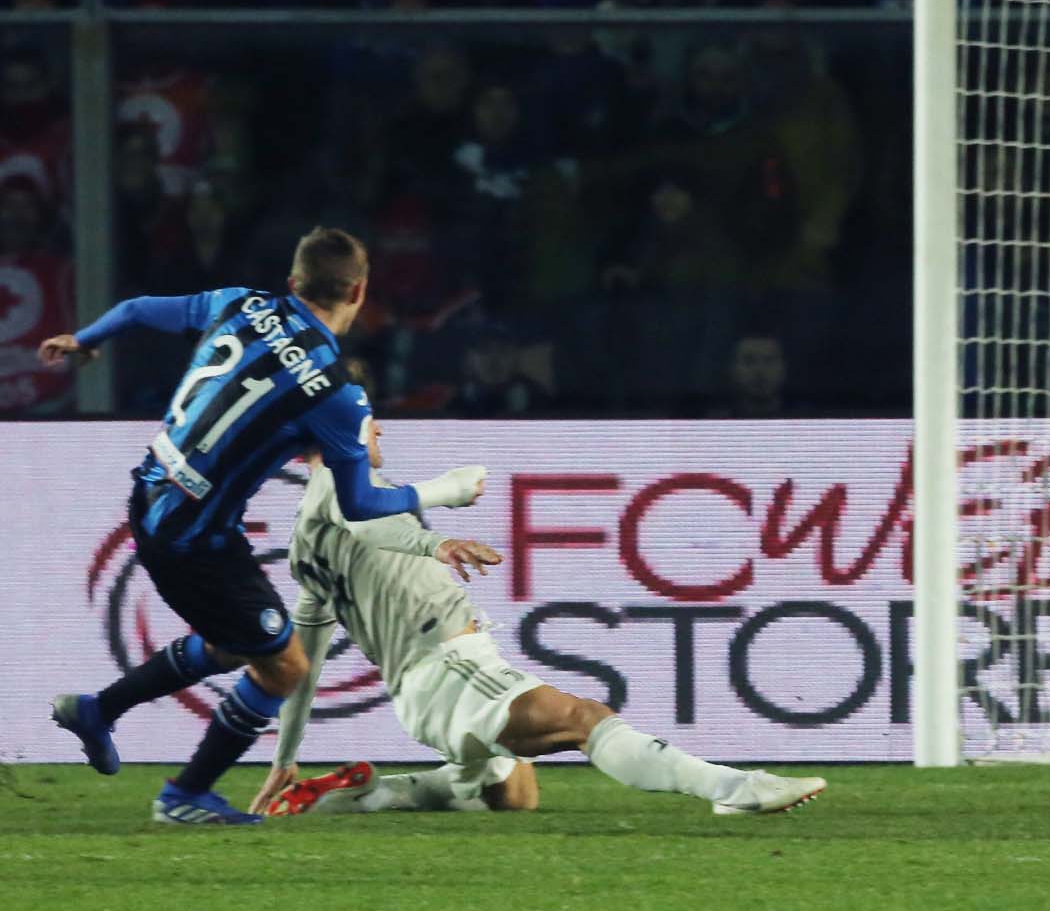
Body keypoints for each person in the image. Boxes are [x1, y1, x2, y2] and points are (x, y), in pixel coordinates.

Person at [41, 227, 489, 825]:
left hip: (153, 497)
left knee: (239, 642)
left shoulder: (239, 303)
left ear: (294, 282)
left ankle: (98, 711)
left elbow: (140, 308)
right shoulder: (336, 392)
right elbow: (358, 506)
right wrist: (447, 492)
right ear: (359, 291)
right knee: (285, 666)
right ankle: (184, 795)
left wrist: (85, 339)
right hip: (192, 537)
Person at [253, 397, 824, 819]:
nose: (377, 427)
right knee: (584, 719)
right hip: (446, 669)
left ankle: (365, 796)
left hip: (430, 683)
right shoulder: (338, 488)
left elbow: (303, 659)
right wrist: (435, 542)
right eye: (366, 418)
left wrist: (285, 756)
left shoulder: (305, 545)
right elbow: (369, 524)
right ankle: (731, 788)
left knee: (512, 794)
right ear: (338, 430)